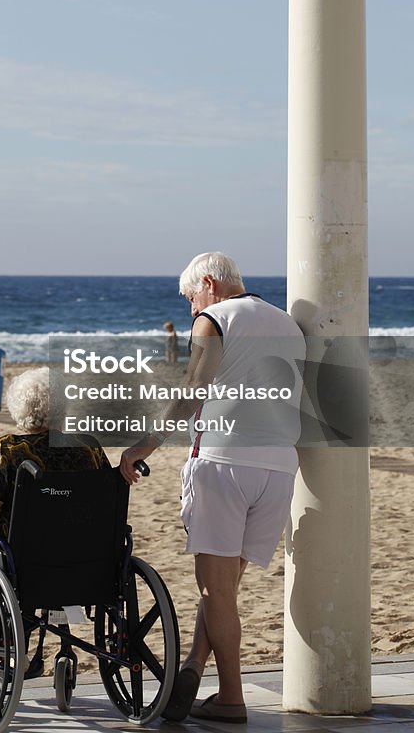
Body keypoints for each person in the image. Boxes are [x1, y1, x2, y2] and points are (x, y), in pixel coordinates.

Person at [120, 252, 305, 724]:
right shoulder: (287, 323)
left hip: (224, 462)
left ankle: (231, 697)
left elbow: (192, 391)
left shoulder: (214, 318)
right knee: (223, 590)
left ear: (208, 283)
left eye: (189, 298)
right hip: (280, 467)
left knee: (215, 590)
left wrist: (144, 447)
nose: (190, 309)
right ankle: (192, 667)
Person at [0, 366, 110, 537]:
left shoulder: (8, 450)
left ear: (18, 407)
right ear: (63, 409)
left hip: (26, 557)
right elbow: (107, 507)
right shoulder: (89, 446)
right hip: (88, 554)